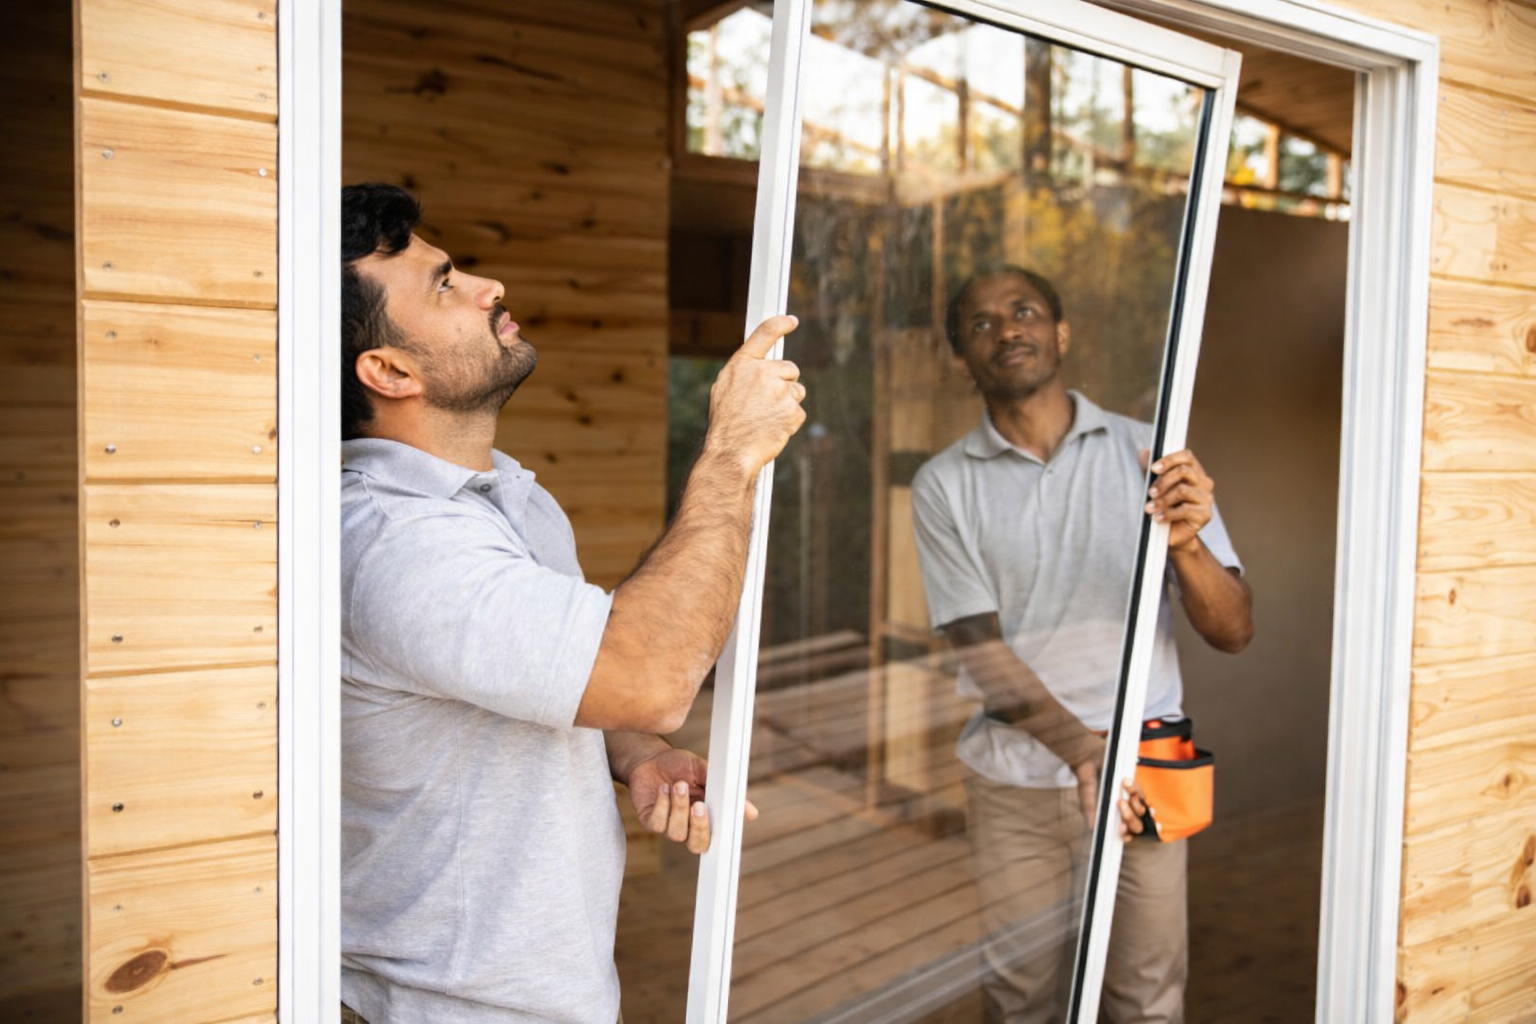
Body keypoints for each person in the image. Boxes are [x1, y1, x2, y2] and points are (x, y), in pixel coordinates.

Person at [337, 183, 805, 1024]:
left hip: (548, 992)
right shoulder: (397, 543)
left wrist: (635, 750)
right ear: (391, 370)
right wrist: (732, 454)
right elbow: (647, 673)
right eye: (445, 285)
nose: (489, 288)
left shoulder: (507, 497)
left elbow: (573, 678)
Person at [910, 265, 1253, 1024]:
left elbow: (1233, 630)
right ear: (961, 358)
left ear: (1060, 333)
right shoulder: (944, 485)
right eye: (982, 323)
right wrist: (1085, 753)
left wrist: (1188, 548)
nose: (1007, 329)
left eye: (1024, 310)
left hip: (1146, 776)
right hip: (1015, 785)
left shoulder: (1150, 455)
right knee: (1021, 1000)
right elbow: (980, 651)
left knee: (1147, 1000)